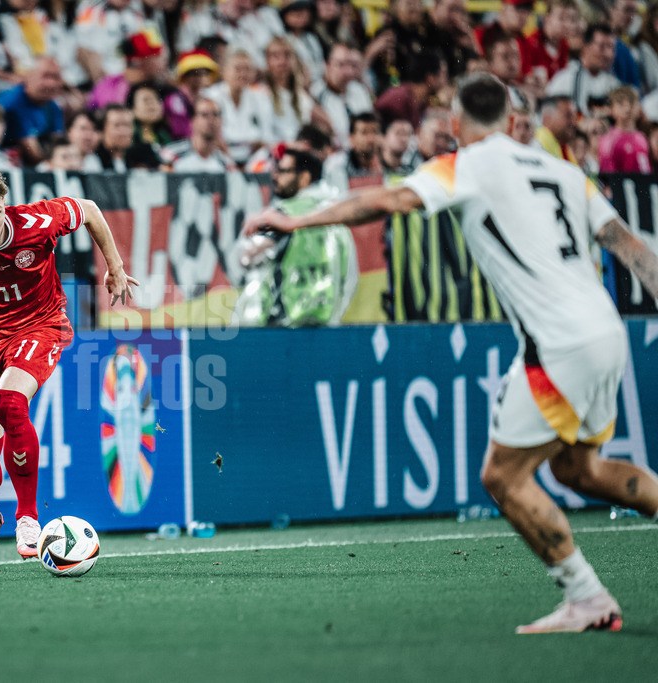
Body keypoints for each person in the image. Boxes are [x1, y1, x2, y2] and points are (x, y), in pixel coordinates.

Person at [243, 72, 658, 634]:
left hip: (556, 344)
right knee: (578, 469)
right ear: (515, 121)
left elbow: (388, 200)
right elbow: (630, 246)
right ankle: (587, 595)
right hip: (606, 332)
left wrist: (295, 218)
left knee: (503, 478)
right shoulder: (566, 171)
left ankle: (586, 597)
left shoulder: (464, 164)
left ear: (456, 125)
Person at [0, 162, 137, 573]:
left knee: (10, 401)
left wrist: (115, 266)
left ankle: (28, 517)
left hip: (40, 324)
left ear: (7, 205)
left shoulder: (35, 222)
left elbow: (89, 209)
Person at [0, 56, 65, 166]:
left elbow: (60, 143)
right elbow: (34, 154)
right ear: (28, 76)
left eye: (56, 77)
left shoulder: (53, 106)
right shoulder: (13, 102)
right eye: (46, 76)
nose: (51, 83)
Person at [546, 23, 622, 114]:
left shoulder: (615, 85)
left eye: (612, 48)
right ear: (585, 47)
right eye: (602, 47)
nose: (608, 54)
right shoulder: (565, 80)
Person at [597, 86, 651, 173]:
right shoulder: (608, 140)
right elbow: (608, 176)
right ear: (610, 109)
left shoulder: (642, 138)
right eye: (621, 103)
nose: (627, 108)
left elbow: (646, 170)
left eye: (632, 102)